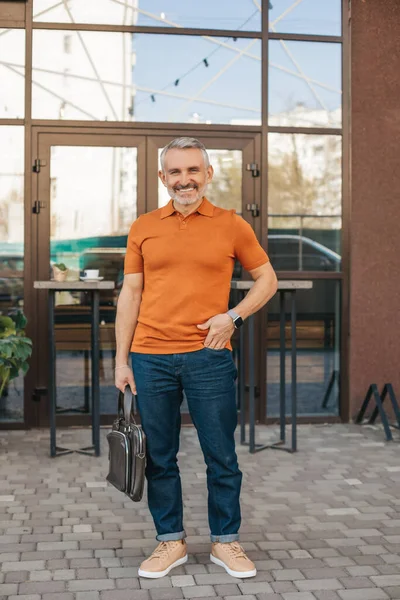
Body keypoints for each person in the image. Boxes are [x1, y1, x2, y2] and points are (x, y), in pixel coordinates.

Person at [115, 137, 278, 580]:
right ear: (162, 178)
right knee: (160, 457)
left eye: (192, 170)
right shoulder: (143, 226)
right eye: (175, 172)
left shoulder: (231, 225)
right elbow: (131, 293)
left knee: (221, 454)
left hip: (209, 357)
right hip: (150, 357)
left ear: (207, 175)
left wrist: (233, 317)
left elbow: (267, 279)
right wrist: (121, 360)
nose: (184, 179)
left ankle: (226, 542)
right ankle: (171, 542)